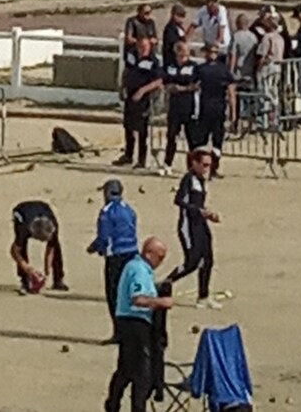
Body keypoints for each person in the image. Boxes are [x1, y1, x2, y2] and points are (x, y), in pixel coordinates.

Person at [104, 237, 175, 412]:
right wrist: (161, 302)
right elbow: (138, 299)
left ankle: (113, 403)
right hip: (134, 323)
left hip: (128, 322)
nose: (161, 262)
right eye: (160, 257)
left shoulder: (139, 268)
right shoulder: (139, 270)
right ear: (148, 253)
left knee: (126, 369)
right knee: (142, 373)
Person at [167, 148, 221, 307]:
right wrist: (198, 211)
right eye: (204, 165)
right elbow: (179, 201)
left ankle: (203, 297)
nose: (207, 169)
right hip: (188, 225)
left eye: (209, 165)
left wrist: (208, 214)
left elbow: (198, 202)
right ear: (194, 163)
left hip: (200, 224)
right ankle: (165, 283)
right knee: (192, 261)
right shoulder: (188, 179)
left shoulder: (201, 180)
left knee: (208, 259)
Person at [87, 178, 139, 337]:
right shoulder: (129, 209)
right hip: (132, 252)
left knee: (114, 294)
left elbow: (104, 235)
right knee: (128, 291)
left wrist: (95, 247)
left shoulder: (107, 212)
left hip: (115, 255)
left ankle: (119, 331)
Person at [114, 35, 162, 171]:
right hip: (130, 95)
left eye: (144, 47)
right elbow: (127, 71)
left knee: (142, 130)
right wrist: (122, 86)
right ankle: (128, 155)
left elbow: (158, 81)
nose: (142, 49)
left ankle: (142, 159)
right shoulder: (132, 56)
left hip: (144, 99)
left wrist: (143, 90)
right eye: (140, 47)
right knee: (128, 125)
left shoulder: (153, 61)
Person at [190, 43, 235, 175]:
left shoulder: (204, 69)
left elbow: (231, 92)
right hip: (209, 108)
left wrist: (233, 112)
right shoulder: (220, 69)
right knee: (208, 140)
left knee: (214, 141)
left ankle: (211, 167)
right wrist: (233, 113)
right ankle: (206, 167)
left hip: (214, 108)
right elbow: (231, 92)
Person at [10, 199, 67, 293]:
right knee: (22, 246)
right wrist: (27, 267)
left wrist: (46, 273)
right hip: (22, 211)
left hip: (44, 208)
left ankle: (58, 279)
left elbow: (50, 250)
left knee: (55, 244)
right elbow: (14, 251)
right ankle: (25, 280)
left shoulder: (54, 227)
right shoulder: (23, 228)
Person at [161, 40, 198, 176]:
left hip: (189, 107)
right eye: (181, 53)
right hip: (174, 108)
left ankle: (193, 167)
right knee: (171, 136)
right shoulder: (170, 67)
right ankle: (167, 164)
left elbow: (196, 85)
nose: (183, 55)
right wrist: (171, 88)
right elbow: (166, 82)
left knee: (191, 139)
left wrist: (182, 88)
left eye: (186, 53)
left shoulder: (193, 67)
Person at [255, 10, 285, 131]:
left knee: (264, 93)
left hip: (268, 66)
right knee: (274, 95)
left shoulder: (267, 37)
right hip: (278, 66)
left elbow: (263, 55)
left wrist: (258, 67)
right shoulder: (280, 38)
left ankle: (264, 122)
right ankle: (275, 121)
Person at [160, 3, 190, 69]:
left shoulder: (179, 27)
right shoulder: (170, 28)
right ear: (174, 15)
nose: (182, 19)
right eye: (180, 16)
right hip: (172, 60)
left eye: (183, 16)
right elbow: (174, 44)